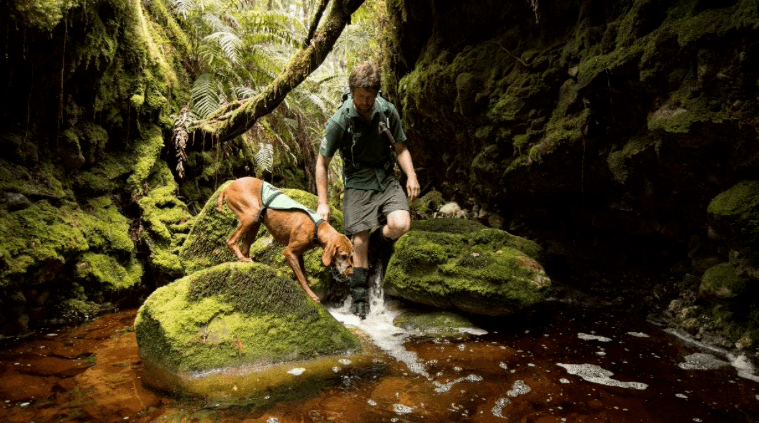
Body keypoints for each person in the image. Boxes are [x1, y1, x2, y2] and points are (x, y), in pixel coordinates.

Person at [315, 61, 420, 319]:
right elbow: (322, 162)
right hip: (357, 181)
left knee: (401, 224)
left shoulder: (387, 111)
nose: (366, 102)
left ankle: (378, 242)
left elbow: (401, 148)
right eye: (361, 97)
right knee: (358, 239)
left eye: (370, 97)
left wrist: (411, 175)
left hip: (384, 178)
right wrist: (323, 202)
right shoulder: (340, 120)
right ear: (352, 93)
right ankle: (360, 300)